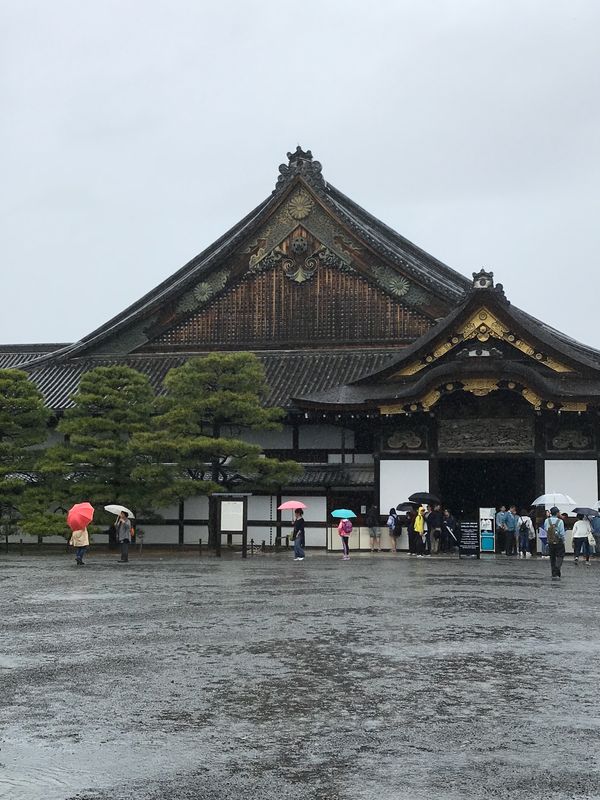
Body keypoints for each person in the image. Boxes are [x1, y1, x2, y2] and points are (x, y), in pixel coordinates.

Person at [544, 506, 566, 579]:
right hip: (558, 541)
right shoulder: (560, 521)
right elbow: (562, 533)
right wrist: (563, 540)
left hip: (550, 540)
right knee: (560, 555)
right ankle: (557, 568)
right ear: (557, 513)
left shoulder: (547, 521)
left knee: (552, 557)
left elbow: (545, 529)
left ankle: (554, 573)